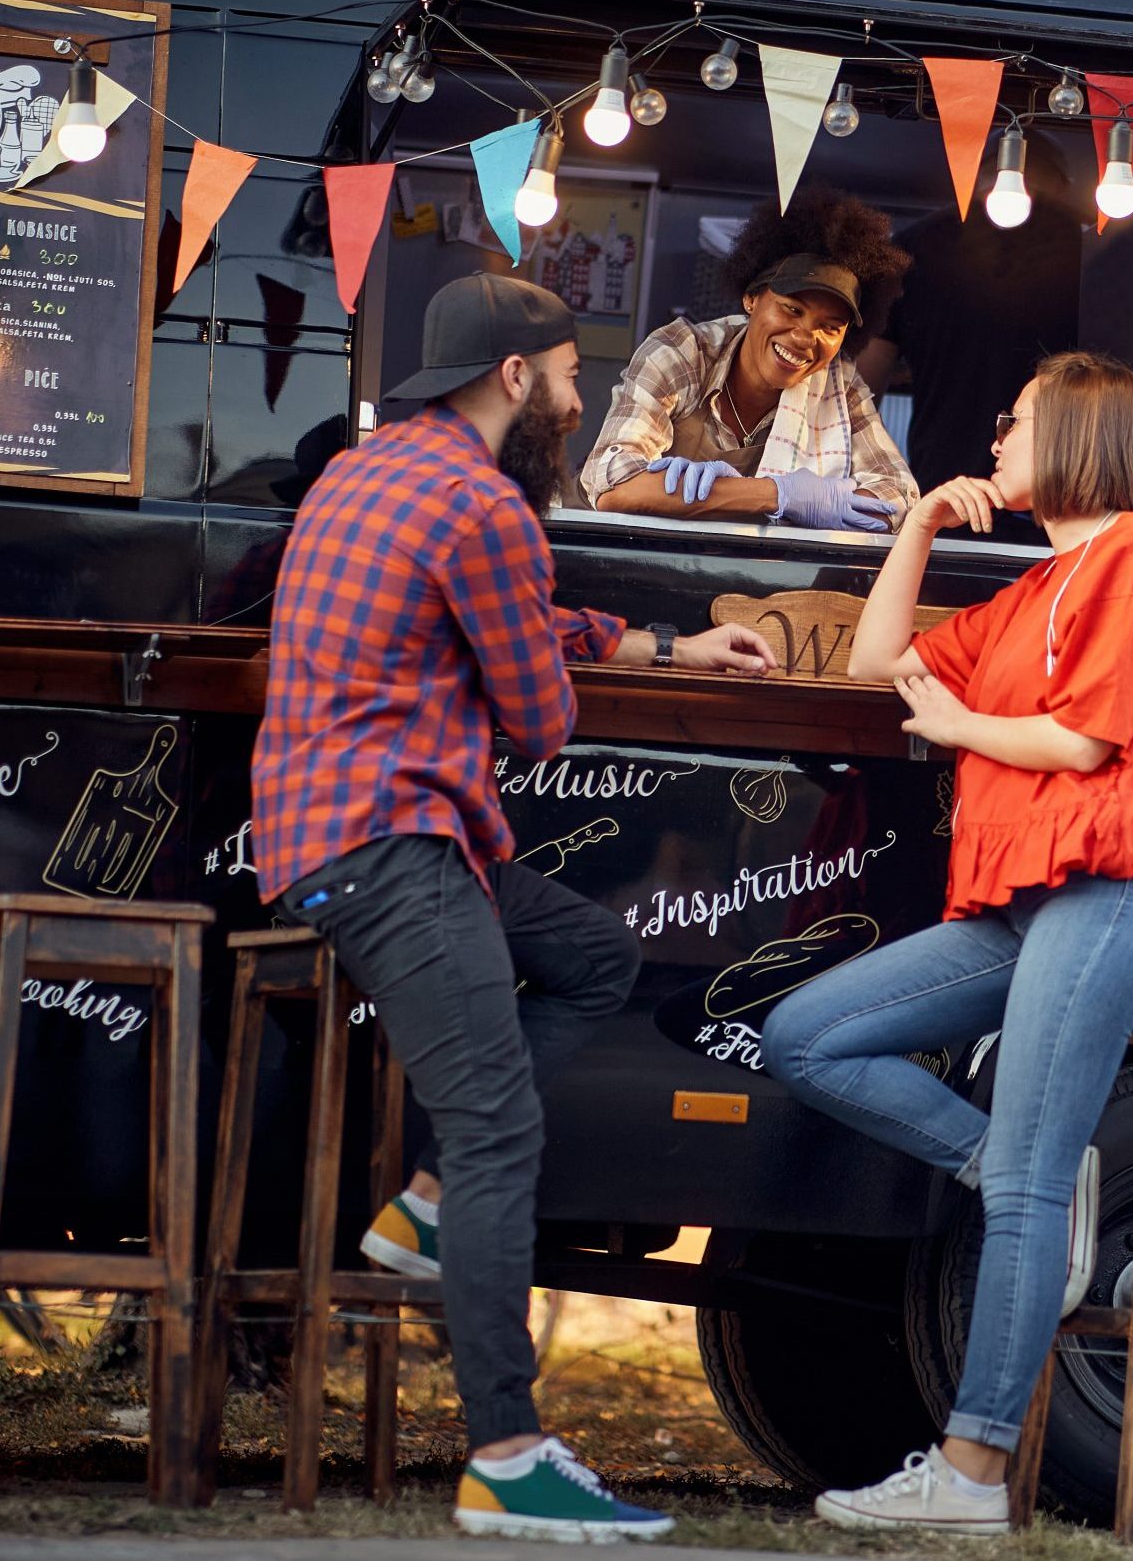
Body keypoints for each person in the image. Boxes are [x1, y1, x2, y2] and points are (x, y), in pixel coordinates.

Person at [250, 273, 774, 1541]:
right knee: (498, 1133)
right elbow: (537, 719)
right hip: (395, 842)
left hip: (328, 836)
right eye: (572, 373)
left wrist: (666, 645)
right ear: (515, 376)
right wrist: (563, 658)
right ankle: (504, 1454)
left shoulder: (362, 474)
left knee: (591, 951)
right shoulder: (487, 507)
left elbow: (514, 620)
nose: (581, 398)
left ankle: (429, 1205)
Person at [759, 352, 1133, 1535]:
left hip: (1113, 887)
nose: (995, 436)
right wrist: (913, 523)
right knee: (806, 1034)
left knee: (1023, 1183)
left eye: (1015, 420)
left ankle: (968, 1474)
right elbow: (876, 662)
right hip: (1022, 902)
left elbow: (1085, 741)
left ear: (1079, 433)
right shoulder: (1032, 585)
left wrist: (961, 725)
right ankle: (1017, 1173)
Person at [578, 186, 919, 532]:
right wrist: (778, 495)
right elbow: (611, 484)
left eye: (830, 327)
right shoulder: (683, 352)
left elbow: (898, 498)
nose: (805, 339)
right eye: (792, 309)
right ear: (751, 298)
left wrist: (697, 496)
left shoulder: (839, 385)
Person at [857, 130, 1081, 518]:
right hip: (1058, 500)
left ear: (975, 174)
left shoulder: (911, 248)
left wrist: (873, 488)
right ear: (1063, 184)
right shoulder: (1092, 251)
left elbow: (860, 393)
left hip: (944, 491)